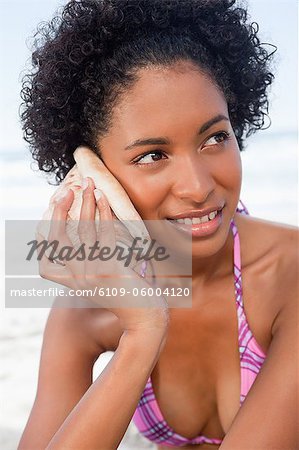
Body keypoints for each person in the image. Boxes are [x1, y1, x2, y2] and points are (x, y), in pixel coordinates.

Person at [17, 0, 298, 449]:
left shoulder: (290, 274)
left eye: (215, 138)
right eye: (153, 155)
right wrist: (143, 331)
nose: (197, 187)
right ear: (96, 173)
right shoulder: (86, 312)